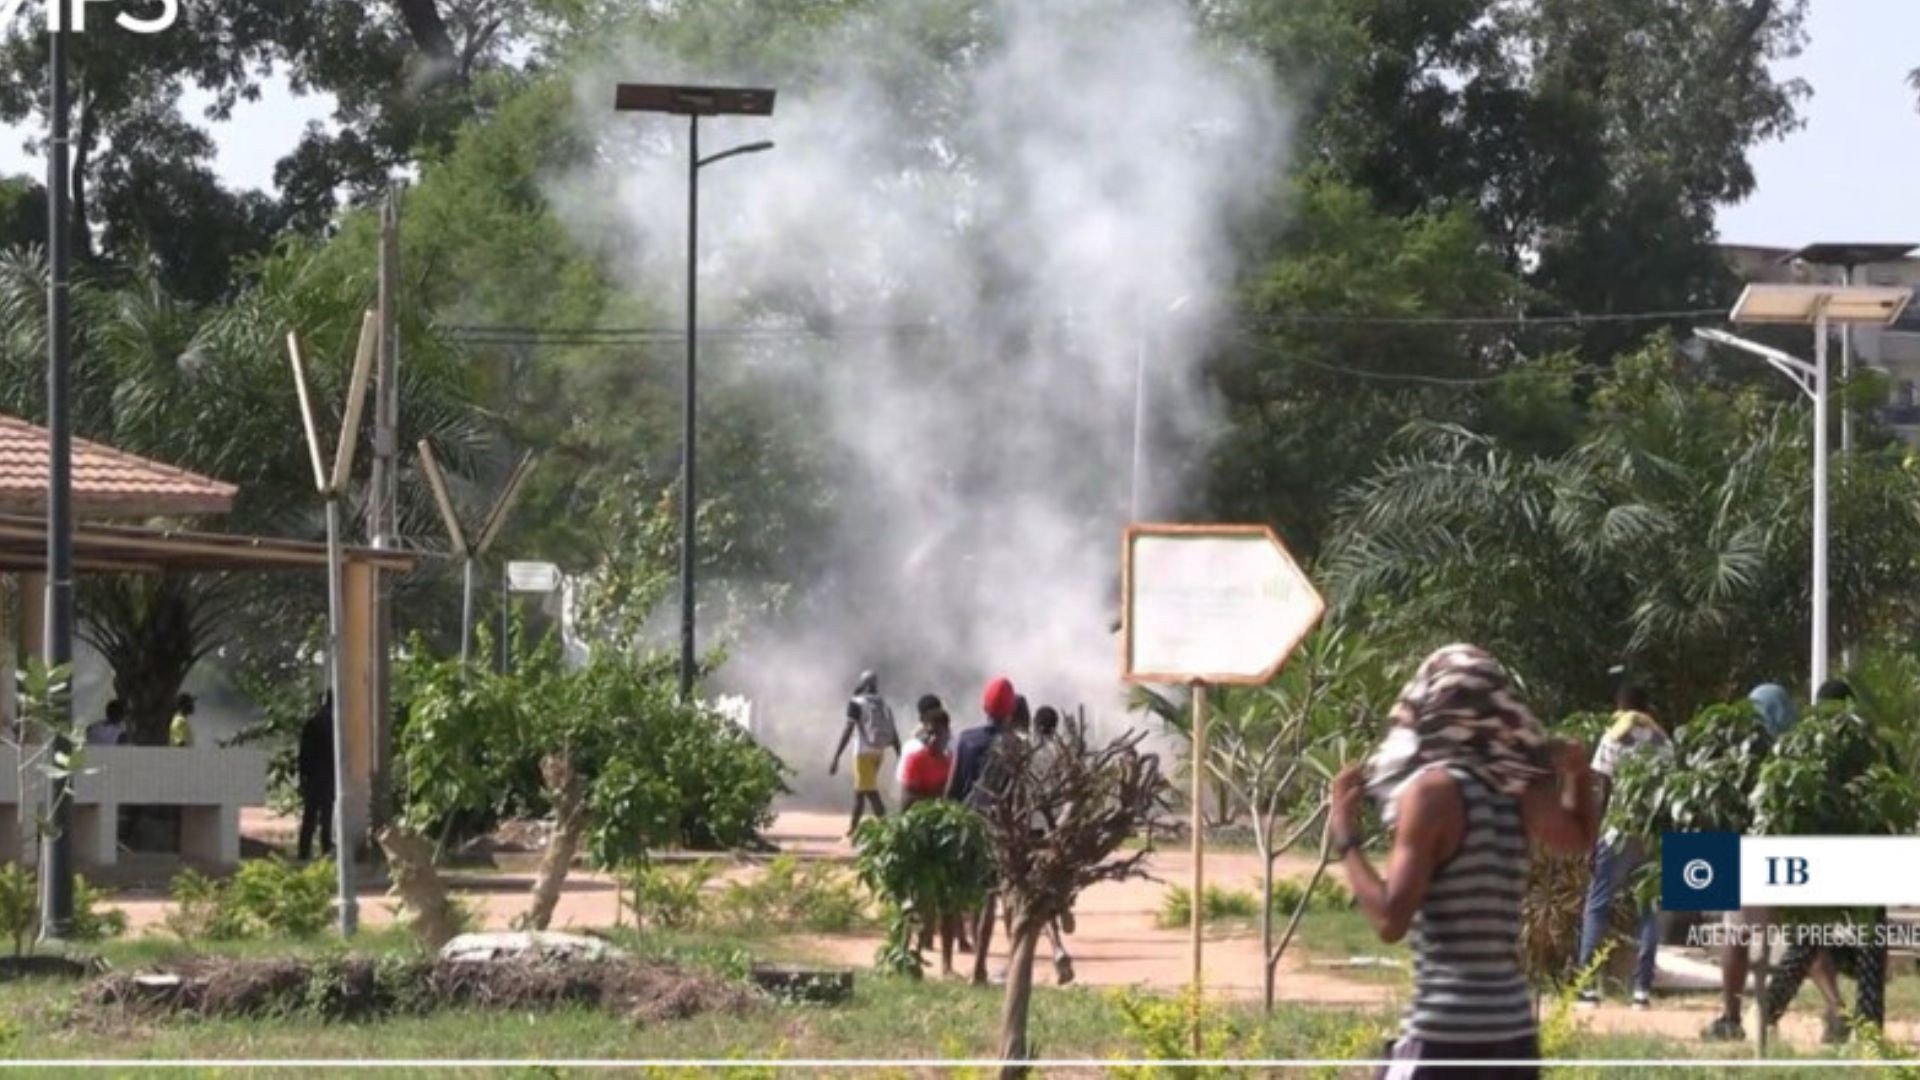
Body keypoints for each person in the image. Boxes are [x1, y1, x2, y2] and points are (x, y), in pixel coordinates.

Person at [1329, 644, 1597, 1078]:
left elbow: (1389, 920)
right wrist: (1578, 775)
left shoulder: (1432, 793)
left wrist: (1345, 836)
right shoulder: (1517, 791)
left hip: (1445, 1034)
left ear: (1429, 709)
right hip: (1512, 1033)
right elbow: (1579, 838)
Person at [1760, 678, 1888, 1044]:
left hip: (1825, 851)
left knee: (1808, 937)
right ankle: (1869, 1025)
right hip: (1870, 850)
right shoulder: (1872, 743)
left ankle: (1768, 1010)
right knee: (1871, 941)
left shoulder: (1806, 744)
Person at [1703, 682, 1808, 1042]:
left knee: (1736, 934)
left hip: (1747, 854)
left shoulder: (1741, 754)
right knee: (1806, 934)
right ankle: (1834, 1010)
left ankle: (1731, 1018)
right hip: (1793, 857)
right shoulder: (1801, 752)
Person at [1574, 683, 1669, 1008]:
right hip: (1650, 833)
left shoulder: (1613, 738)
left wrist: (1591, 835)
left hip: (1616, 832)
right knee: (1648, 909)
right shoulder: (1663, 741)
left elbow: (1603, 788)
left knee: (1598, 904)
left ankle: (1586, 988)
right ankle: (1642, 991)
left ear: (1621, 706)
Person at [951, 675, 1017, 984]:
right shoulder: (1016, 745)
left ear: (983, 705)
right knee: (992, 896)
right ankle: (980, 964)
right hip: (1001, 824)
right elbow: (1019, 791)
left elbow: (952, 788)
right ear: (1010, 710)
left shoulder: (966, 739)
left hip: (968, 820)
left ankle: (974, 963)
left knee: (972, 894)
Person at [829, 670, 900, 838]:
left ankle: (889, 830)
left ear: (863, 683)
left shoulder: (856, 703)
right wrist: (900, 753)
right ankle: (853, 829)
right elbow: (893, 732)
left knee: (870, 792)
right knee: (860, 791)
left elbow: (848, 730)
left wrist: (837, 756)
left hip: (862, 753)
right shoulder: (884, 703)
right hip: (879, 752)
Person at [296, 693, 336, 861]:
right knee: (326, 816)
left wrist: (303, 777)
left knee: (309, 817)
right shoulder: (336, 724)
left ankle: (304, 851)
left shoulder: (311, 723)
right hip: (329, 776)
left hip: (312, 777)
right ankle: (325, 848)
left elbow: (303, 754)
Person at [899, 695, 956, 809]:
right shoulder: (915, 757)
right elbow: (906, 800)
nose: (933, 739)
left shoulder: (951, 762)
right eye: (930, 734)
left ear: (947, 735)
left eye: (938, 734)